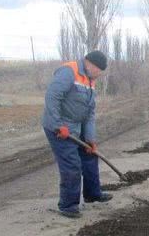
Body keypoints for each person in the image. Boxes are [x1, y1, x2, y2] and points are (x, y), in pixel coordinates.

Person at [42, 51, 112, 218]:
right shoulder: (69, 71)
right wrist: (58, 125)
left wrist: (90, 140)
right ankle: (68, 205)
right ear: (89, 63)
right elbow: (52, 97)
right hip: (59, 129)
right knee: (72, 164)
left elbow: (89, 113)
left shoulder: (90, 80)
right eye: (98, 69)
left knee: (90, 156)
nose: (99, 73)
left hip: (76, 127)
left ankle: (92, 194)